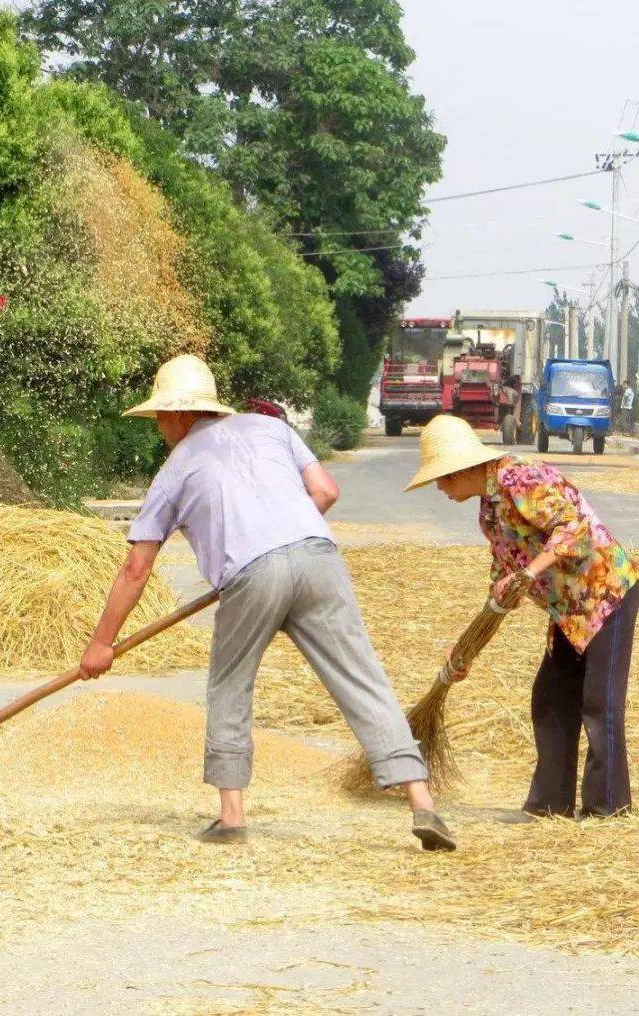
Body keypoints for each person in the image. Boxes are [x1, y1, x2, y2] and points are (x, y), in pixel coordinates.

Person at [79, 354, 455, 851]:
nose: (159, 431)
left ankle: (231, 816)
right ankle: (422, 802)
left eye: (159, 421)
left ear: (175, 415)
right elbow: (325, 490)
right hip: (319, 556)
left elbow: (136, 568)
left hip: (253, 573)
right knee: (361, 676)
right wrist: (285, 533)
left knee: (230, 685)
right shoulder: (269, 428)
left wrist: (101, 643)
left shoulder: (175, 468)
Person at [407, 414, 639, 819]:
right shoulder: (489, 512)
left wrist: (531, 571)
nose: (440, 488)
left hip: (605, 592)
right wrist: (464, 647)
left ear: (461, 470)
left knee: (599, 702)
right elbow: (504, 580)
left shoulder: (521, 479)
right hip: (567, 608)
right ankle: (550, 805)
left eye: (441, 479)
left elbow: (574, 527)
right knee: (549, 698)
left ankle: (607, 809)